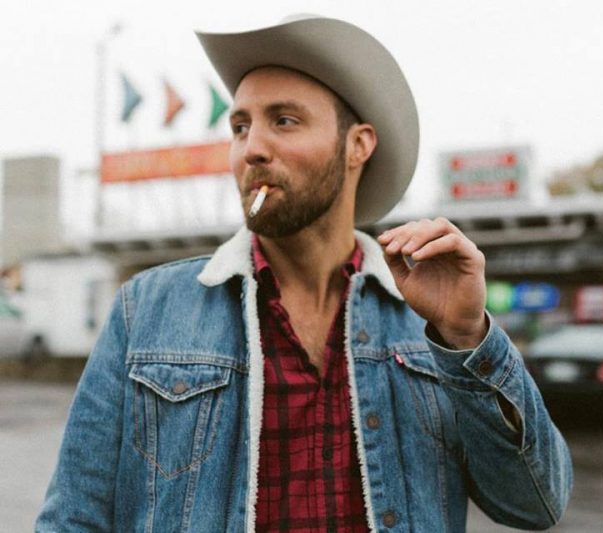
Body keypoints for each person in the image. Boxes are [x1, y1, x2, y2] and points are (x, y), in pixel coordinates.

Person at [36, 15, 572, 532]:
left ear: (358, 144)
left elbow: (535, 504)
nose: (253, 149)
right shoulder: (147, 309)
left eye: (284, 121)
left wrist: (466, 338)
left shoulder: (425, 319)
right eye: (240, 126)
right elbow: (72, 518)